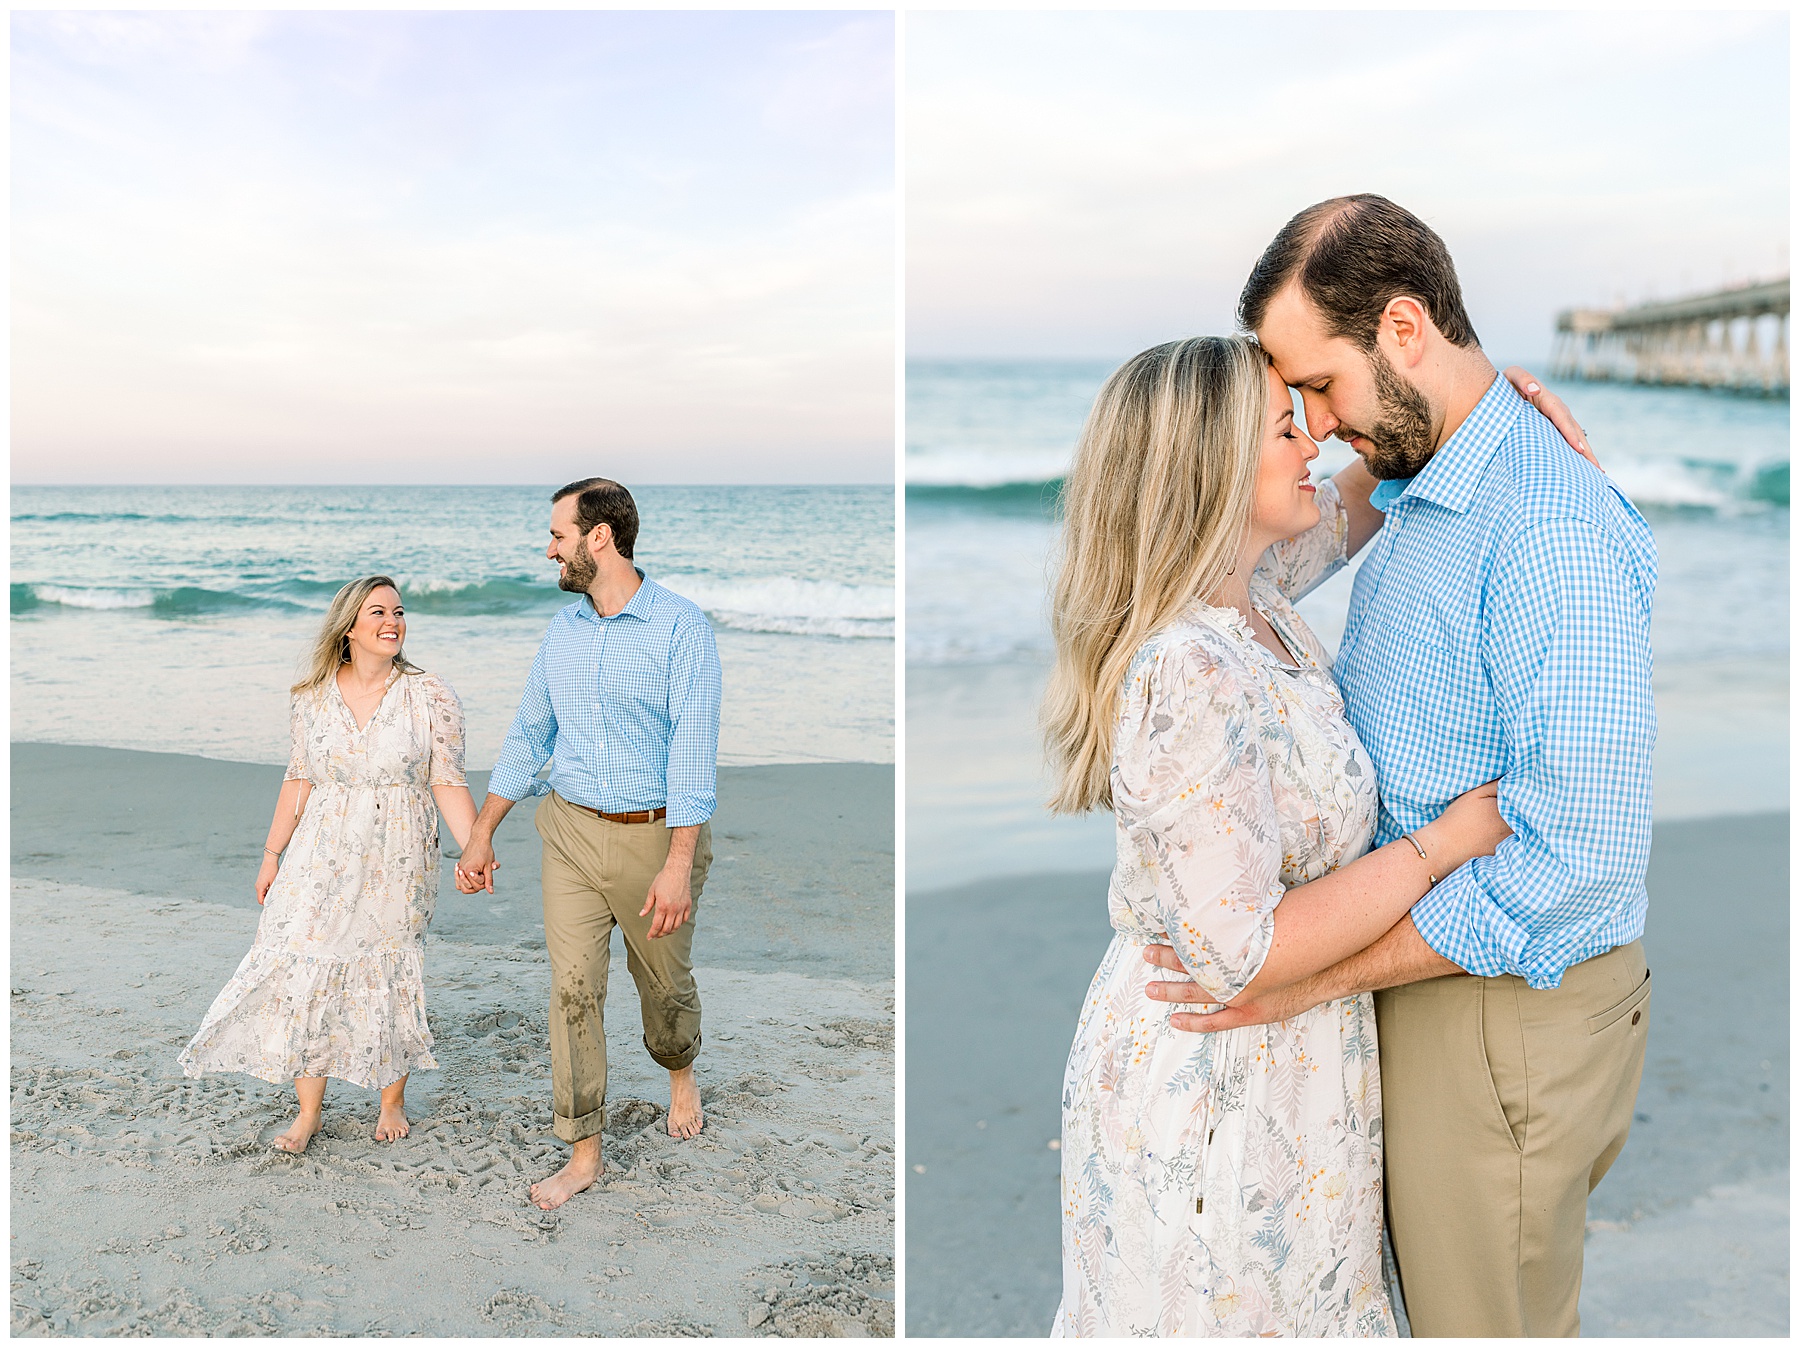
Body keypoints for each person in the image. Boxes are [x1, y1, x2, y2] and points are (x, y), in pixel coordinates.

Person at [1144, 195, 1656, 1337]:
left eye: (1321, 386)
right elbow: (1211, 569)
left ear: (1405, 328)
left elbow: (1580, 858)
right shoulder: (1422, 480)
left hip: (1494, 1006)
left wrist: (1309, 980)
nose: (1318, 426)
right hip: (1431, 986)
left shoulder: (1545, 525)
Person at [1042, 335, 1536, 1336]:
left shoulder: (1254, 596)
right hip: (1216, 1079)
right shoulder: (1189, 667)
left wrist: (1490, 411)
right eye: (1285, 428)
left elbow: (1363, 493)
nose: (1315, 439)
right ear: (1215, 468)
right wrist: (1445, 844)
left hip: (1291, 1063)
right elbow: (1244, 953)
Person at [455, 476, 720, 1213]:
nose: (550, 550)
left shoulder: (681, 628)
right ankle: (583, 1151)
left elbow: (693, 753)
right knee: (572, 990)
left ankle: (679, 1070)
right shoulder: (563, 631)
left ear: (599, 537)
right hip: (569, 830)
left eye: (558, 535)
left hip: (654, 836)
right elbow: (529, 733)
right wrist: (481, 833)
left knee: (664, 988)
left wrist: (677, 864)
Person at [180, 575, 479, 1154]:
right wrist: (271, 856)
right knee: (303, 962)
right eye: (378, 612)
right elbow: (298, 780)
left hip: (397, 855)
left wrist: (475, 848)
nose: (392, 621)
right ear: (348, 628)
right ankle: (308, 1112)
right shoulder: (311, 697)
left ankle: (390, 1101)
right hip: (318, 852)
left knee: (387, 967)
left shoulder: (430, 694)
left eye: (398, 611)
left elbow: (447, 780)